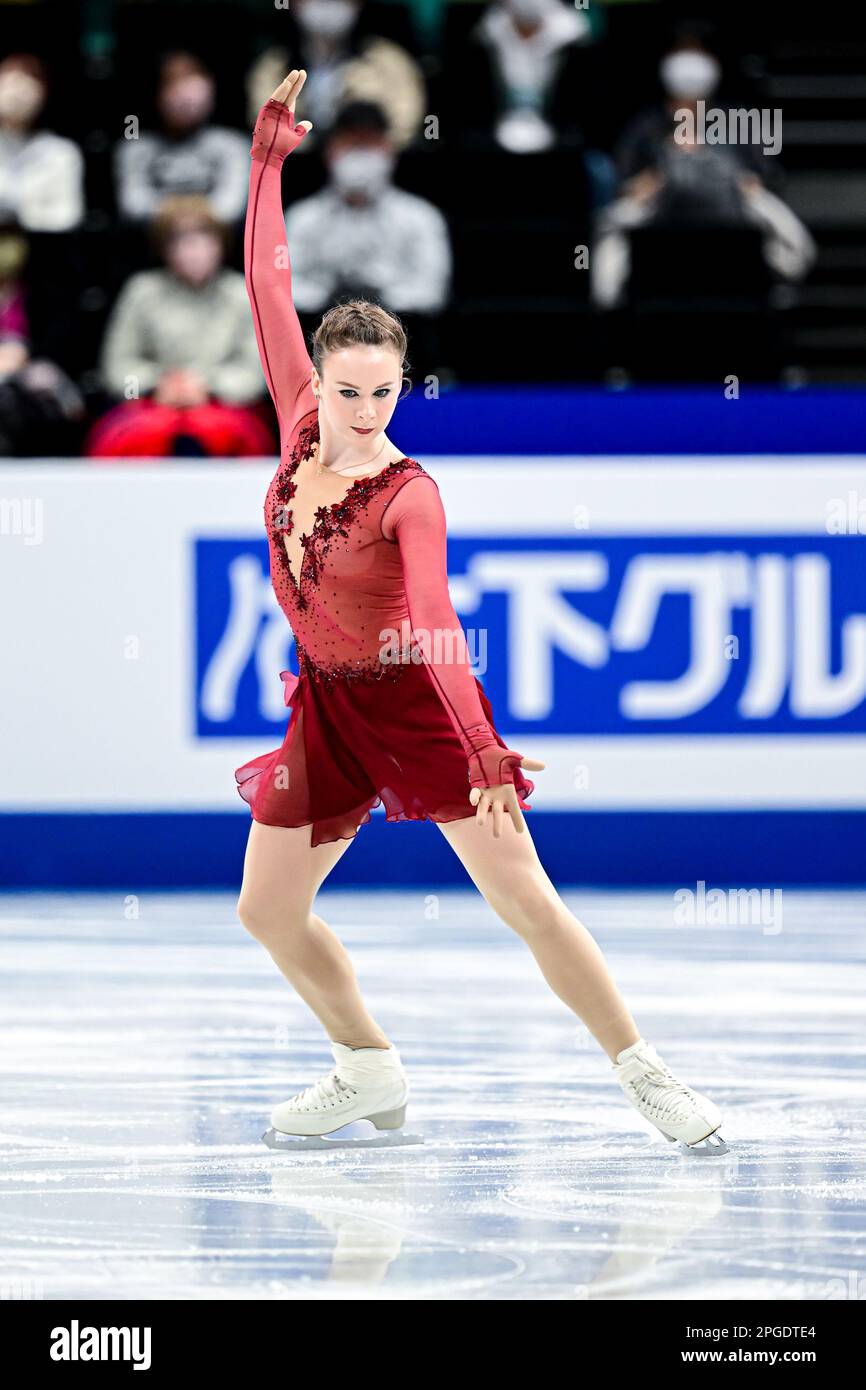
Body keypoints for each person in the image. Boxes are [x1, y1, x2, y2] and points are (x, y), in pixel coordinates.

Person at [235, 71, 729, 1155]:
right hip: (326, 702)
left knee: (525, 900)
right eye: (348, 390)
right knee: (265, 908)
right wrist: (267, 164)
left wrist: (482, 748)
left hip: (416, 704)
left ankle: (643, 1072)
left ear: (403, 386)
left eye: (384, 392)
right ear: (319, 377)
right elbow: (267, 284)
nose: (364, 412)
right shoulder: (297, 416)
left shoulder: (410, 493)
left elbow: (431, 621)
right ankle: (366, 1065)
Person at [85, 194, 273, 458]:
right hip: (151, 405)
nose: (194, 250)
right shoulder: (141, 292)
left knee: (229, 436)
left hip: (224, 405)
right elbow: (118, 369)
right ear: (165, 248)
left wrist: (207, 386)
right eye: (181, 240)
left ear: (221, 243)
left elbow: (254, 374)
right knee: (126, 438)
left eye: (203, 238)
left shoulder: (242, 293)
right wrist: (154, 385)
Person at [284, 100, 451, 315]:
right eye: (351, 144)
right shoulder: (302, 218)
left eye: (369, 144)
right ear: (329, 152)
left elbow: (432, 291)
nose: (360, 156)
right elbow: (284, 287)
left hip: (402, 332)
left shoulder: (421, 217)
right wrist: (333, 299)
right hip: (320, 331)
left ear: (389, 151)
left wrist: (379, 298)